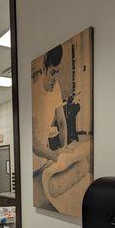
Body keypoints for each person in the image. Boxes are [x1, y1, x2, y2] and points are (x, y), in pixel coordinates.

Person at [32, 45, 67, 174]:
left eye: (58, 72)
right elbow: (33, 143)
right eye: (53, 72)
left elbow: (62, 122)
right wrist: (55, 156)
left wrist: (64, 149)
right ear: (44, 68)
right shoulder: (33, 92)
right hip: (31, 165)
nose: (55, 78)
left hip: (44, 161)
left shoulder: (56, 87)